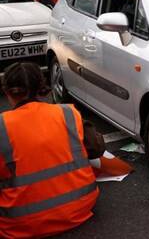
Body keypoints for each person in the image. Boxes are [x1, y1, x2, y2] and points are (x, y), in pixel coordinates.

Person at [0, 62, 103, 238]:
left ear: (7, 92)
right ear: (41, 86)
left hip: (20, 223)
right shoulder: (67, 113)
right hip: (80, 207)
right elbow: (96, 148)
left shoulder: (2, 126)